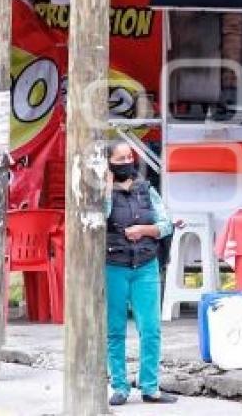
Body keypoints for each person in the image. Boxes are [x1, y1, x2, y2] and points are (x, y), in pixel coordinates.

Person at [105, 141, 177, 406]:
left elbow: (165, 224)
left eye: (129, 157)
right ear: (109, 163)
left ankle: (150, 386)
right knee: (115, 330)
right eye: (119, 159)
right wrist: (105, 185)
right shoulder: (103, 192)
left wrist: (144, 231)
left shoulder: (146, 189)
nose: (126, 163)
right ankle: (120, 386)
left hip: (145, 265)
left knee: (151, 328)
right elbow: (102, 216)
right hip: (114, 266)